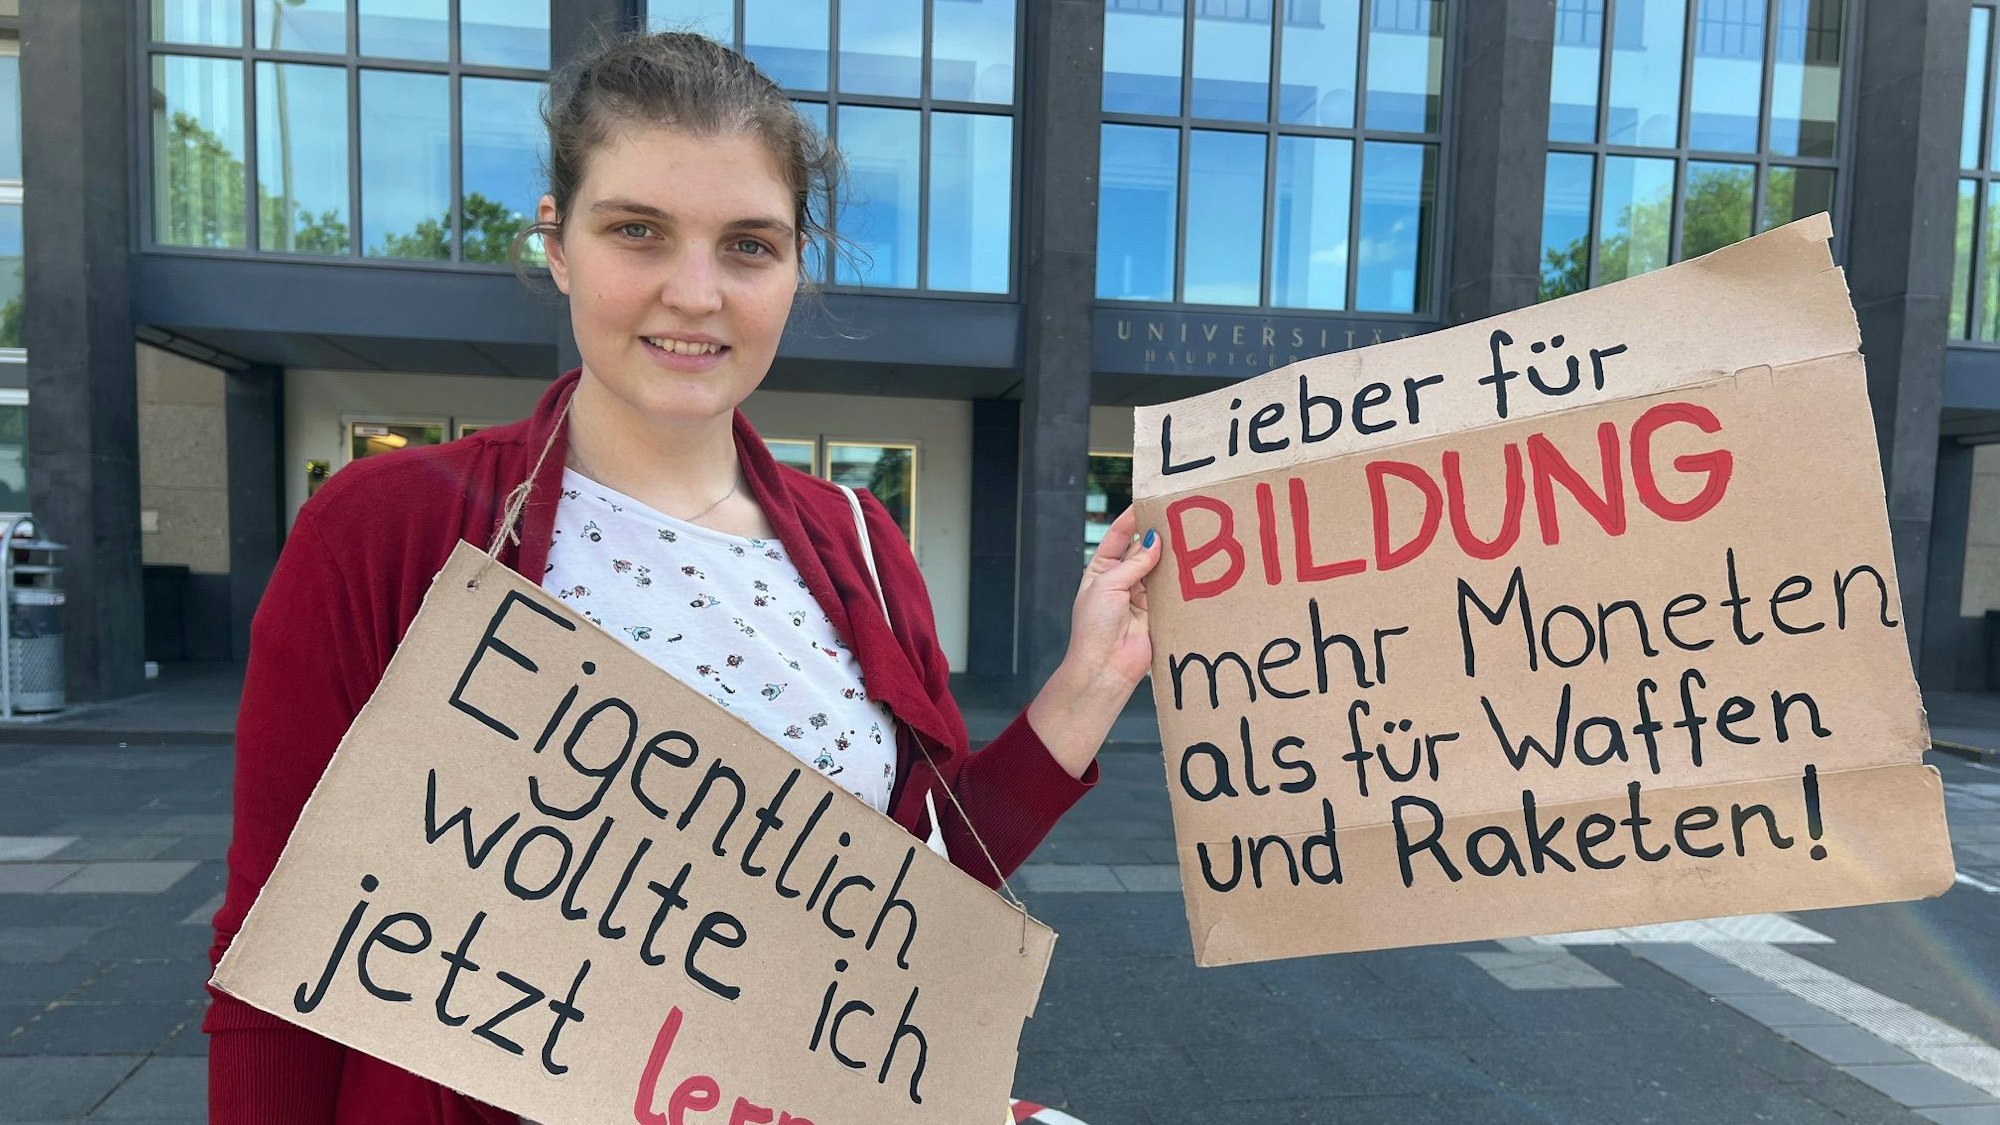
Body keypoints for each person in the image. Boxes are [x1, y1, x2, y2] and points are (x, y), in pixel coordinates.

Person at [205, 30, 1162, 1124]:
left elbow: (910, 905)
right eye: (638, 232)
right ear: (558, 245)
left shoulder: (861, 543)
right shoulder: (387, 532)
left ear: (795, 267)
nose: (694, 292)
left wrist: (1083, 689)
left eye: (747, 246)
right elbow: (276, 944)